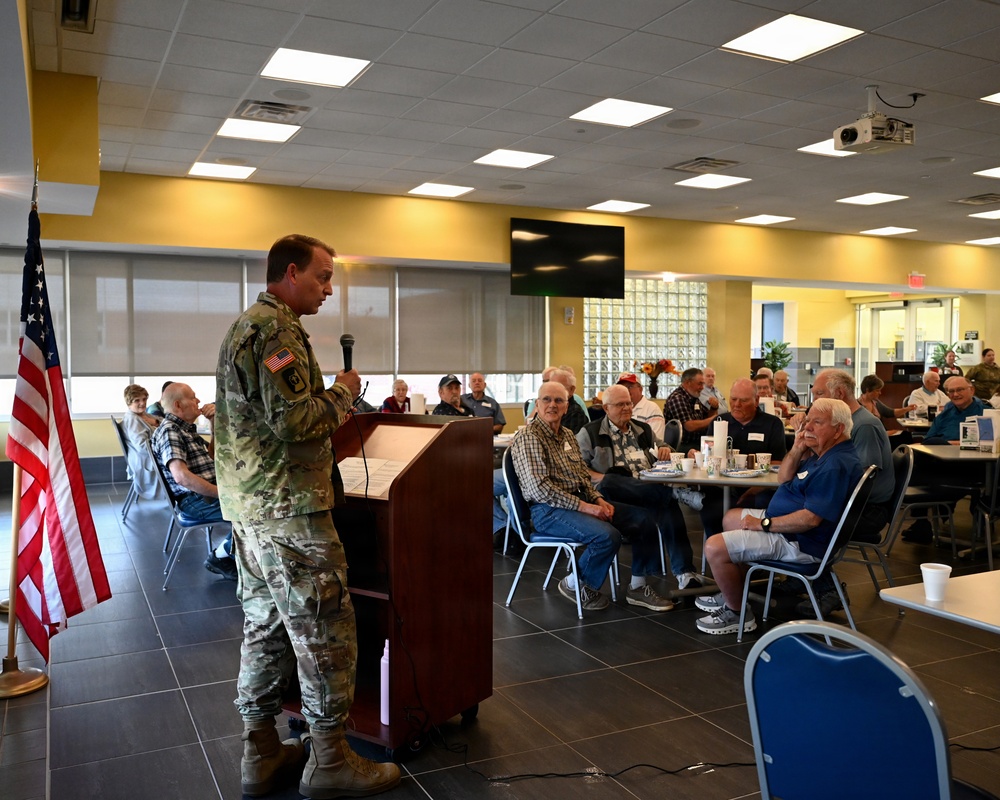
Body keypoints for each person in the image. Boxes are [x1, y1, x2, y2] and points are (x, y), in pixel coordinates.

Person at [215, 234, 399, 798]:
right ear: (290, 273)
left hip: (252, 509)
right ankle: (329, 761)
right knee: (325, 631)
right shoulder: (275, 331)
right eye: (322, 276)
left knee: (265, 627)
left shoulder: (249, 325)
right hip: (288, 510)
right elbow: (297, 422)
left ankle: (262, 752)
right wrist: (344, 392)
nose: (328, 287)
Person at [695, 398, 862, 635]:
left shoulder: (835, 465)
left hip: (799, 541)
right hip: (791, 529)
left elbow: (810, 520)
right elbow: (783, 478)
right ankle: (733, 590)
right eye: (808, 421)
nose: (808, 428)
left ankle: (736, 613)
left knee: (713, 547)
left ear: (838, 429)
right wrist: (797, 447)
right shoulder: (824, 452)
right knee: (730, 518)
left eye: (817, 422)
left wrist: (764, 524)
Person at [511, 381, 668, 612]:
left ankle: (637, 587)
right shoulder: (530, 437)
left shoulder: (567, 435)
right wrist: (585, 507)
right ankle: (575, 583)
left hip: (577, 503)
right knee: (608, 536)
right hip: (547, 510)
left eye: (558, 401)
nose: (552, 405)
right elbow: (539, 490)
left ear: (567, 406)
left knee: (643, 519)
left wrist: (597, 500)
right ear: (537, 404)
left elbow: (583, 477)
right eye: (546, 400)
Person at [577, 383, 700, 594]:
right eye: (620, 404)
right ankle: (674, 492)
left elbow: (667, 449)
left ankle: (685, 573)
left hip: (646, 490)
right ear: (606, 408)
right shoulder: (590, 433)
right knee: (611, 479)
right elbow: (577, 468)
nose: (626, 408)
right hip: (611, 495)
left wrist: (664, 449)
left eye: (629, 403)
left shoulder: (642, 429)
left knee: (667, 507)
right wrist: (600, 478)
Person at [150, 382, 237, 581]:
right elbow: (181, 477)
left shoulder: (186, 429)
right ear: (179, 405)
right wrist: (223, 494)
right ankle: (222, 556)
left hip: (203, 495)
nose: (198, 401)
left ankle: (235, 555)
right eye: (193, 397)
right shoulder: (170, 430)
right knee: (252, 511)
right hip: (196, 501)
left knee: (254, 501)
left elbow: (213, 458)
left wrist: (214, 423)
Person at [694, 379, 787, 538]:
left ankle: (751, 554)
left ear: (756, 401)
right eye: (733, 399)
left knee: (764, 503)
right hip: (722, 487)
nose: (736, 404)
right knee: (710, 507)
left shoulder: (772, 424)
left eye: (743, 400)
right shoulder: (719, 422)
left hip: (757, 488)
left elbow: (778, 463)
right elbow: (708, 458)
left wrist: (756, 486)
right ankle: (718, 549)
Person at [903, 376, 987, 544]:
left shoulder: (984, 412)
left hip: (970, 465)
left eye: (960, 390)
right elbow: (929, 438)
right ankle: (922, 522)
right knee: (913, 464)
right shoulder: (947, 411)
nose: (955, 394)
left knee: (924, 470)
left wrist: (949, 443)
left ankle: (932, 516)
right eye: (951, 391)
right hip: (941, 461)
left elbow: (986, 441)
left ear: (972, 390)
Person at [665, 368, 717, 452]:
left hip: (698, 443)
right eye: (700, 384)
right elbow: (689, 426)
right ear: (688, 383)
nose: (702, 387)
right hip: (682, 446)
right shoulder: (677, 398)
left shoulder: (694, 397)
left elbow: (707, 417)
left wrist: (713, 408)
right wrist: (714, 419)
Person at [617, 372, 665, 439]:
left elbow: (655, 441)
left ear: (640, 389)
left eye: (629, 387)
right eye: (622, 388)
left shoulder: (652, 409)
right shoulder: (617, 409)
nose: (626, 390)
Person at [122, 383, 160, 447]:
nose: (142, 403)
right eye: (137, 400)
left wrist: (155, 422)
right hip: (148, 456)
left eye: (144, 399)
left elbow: (163, 421)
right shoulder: (133, 419)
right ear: (129, 403)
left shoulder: (142, 414)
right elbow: (142, 446)